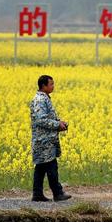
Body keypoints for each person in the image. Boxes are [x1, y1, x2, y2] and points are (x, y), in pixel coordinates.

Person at [30, 74, 71, 202]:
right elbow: (41, 119)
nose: (53, 86)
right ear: (43, 86)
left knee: (41, 167)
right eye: (51, 84)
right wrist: (56, 124)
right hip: (44, 141)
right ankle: (57, 193)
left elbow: (46, 117)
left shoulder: (44, 98)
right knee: (52, 166)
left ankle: (37, 194)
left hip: (45, 139)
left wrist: (59, 122)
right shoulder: (40, 100)